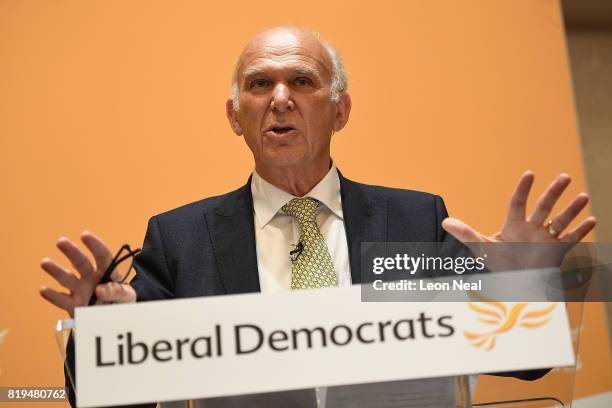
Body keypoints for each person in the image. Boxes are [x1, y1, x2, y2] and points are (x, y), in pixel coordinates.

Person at [39, 26, 596, 407]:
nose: (280, 98)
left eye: (302, 81)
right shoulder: (180, 239)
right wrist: (99, 331)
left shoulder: (415, 220)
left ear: (341, 109)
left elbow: (521, 363)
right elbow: (114, 396)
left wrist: (523, 286)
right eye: (260, 84)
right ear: (236, 116)